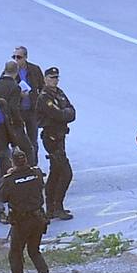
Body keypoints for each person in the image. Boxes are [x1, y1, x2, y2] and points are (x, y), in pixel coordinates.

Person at [1, 150, 52, 273]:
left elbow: (3, 197)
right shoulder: (36, 173)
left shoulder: (9, 179)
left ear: (12, 162)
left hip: (21, 221)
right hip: (38, 218)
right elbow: (40, 186)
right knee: (34, 251)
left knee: (15, 253)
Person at [37, 67, 76, 220]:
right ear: (45, 79)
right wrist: (64, 114)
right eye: (52, 77)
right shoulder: (44, 97)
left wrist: (64, 114)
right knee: (66, 173)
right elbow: (57, 114)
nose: (55, 80)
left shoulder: (59, 93)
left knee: (56, 172)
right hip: (51, 137)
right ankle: (56, 206)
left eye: (56, 77)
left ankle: (51, 208)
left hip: (60, 136)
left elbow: (72, 111)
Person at [9, 47, 45, 162]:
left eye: (18, 57)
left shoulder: (34, 69)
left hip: (31, 110)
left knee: (33, 140)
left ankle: (34, 165)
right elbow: (6, 87)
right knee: (20, 140)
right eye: (14, 57)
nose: (16, 60)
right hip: (18, 111)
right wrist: (19, 94)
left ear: (25, 57)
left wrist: (38, 101)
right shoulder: (10, 71)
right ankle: (22, 165)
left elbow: (42, 87)